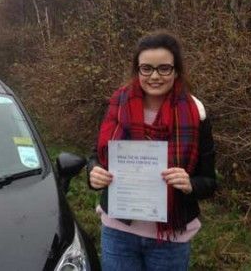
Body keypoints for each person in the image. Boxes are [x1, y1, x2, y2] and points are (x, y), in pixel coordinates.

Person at [87, 31, 216, 271]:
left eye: (164, 68)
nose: (155, 76)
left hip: (171, 239)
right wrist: (94, 173)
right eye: (146, 68)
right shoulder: (117, 105)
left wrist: (191, 185)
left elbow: (209, 181)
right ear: (137, 70)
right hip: (118, 231)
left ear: (176, 70)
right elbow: (96, 155)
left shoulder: (196, 112)